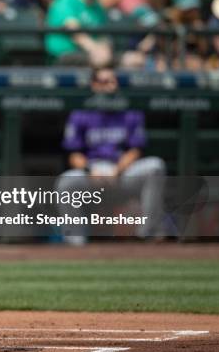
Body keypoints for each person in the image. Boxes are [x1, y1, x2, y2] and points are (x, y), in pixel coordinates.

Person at [55, 67, 166, 244]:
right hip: (93, 173)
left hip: (123, 172)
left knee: (155, 167)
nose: (110, 86)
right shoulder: (80, 113)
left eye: (113, 81)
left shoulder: (130, 110)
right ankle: (74, 240)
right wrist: (90, 170)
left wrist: (118, 169)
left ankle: (147, 232)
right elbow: (73, 154)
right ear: (94, 85)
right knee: (66, 182)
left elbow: (135, 149)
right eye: (104, 82)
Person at [45, 0, 112, 67]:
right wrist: (95, 49)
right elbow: (75, 32)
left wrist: (104, 48)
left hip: (92, 54)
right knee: (101, 60)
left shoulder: (97, 7)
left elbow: (103, 35)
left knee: (133, 60)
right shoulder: (65, 0)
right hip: (64, 55)